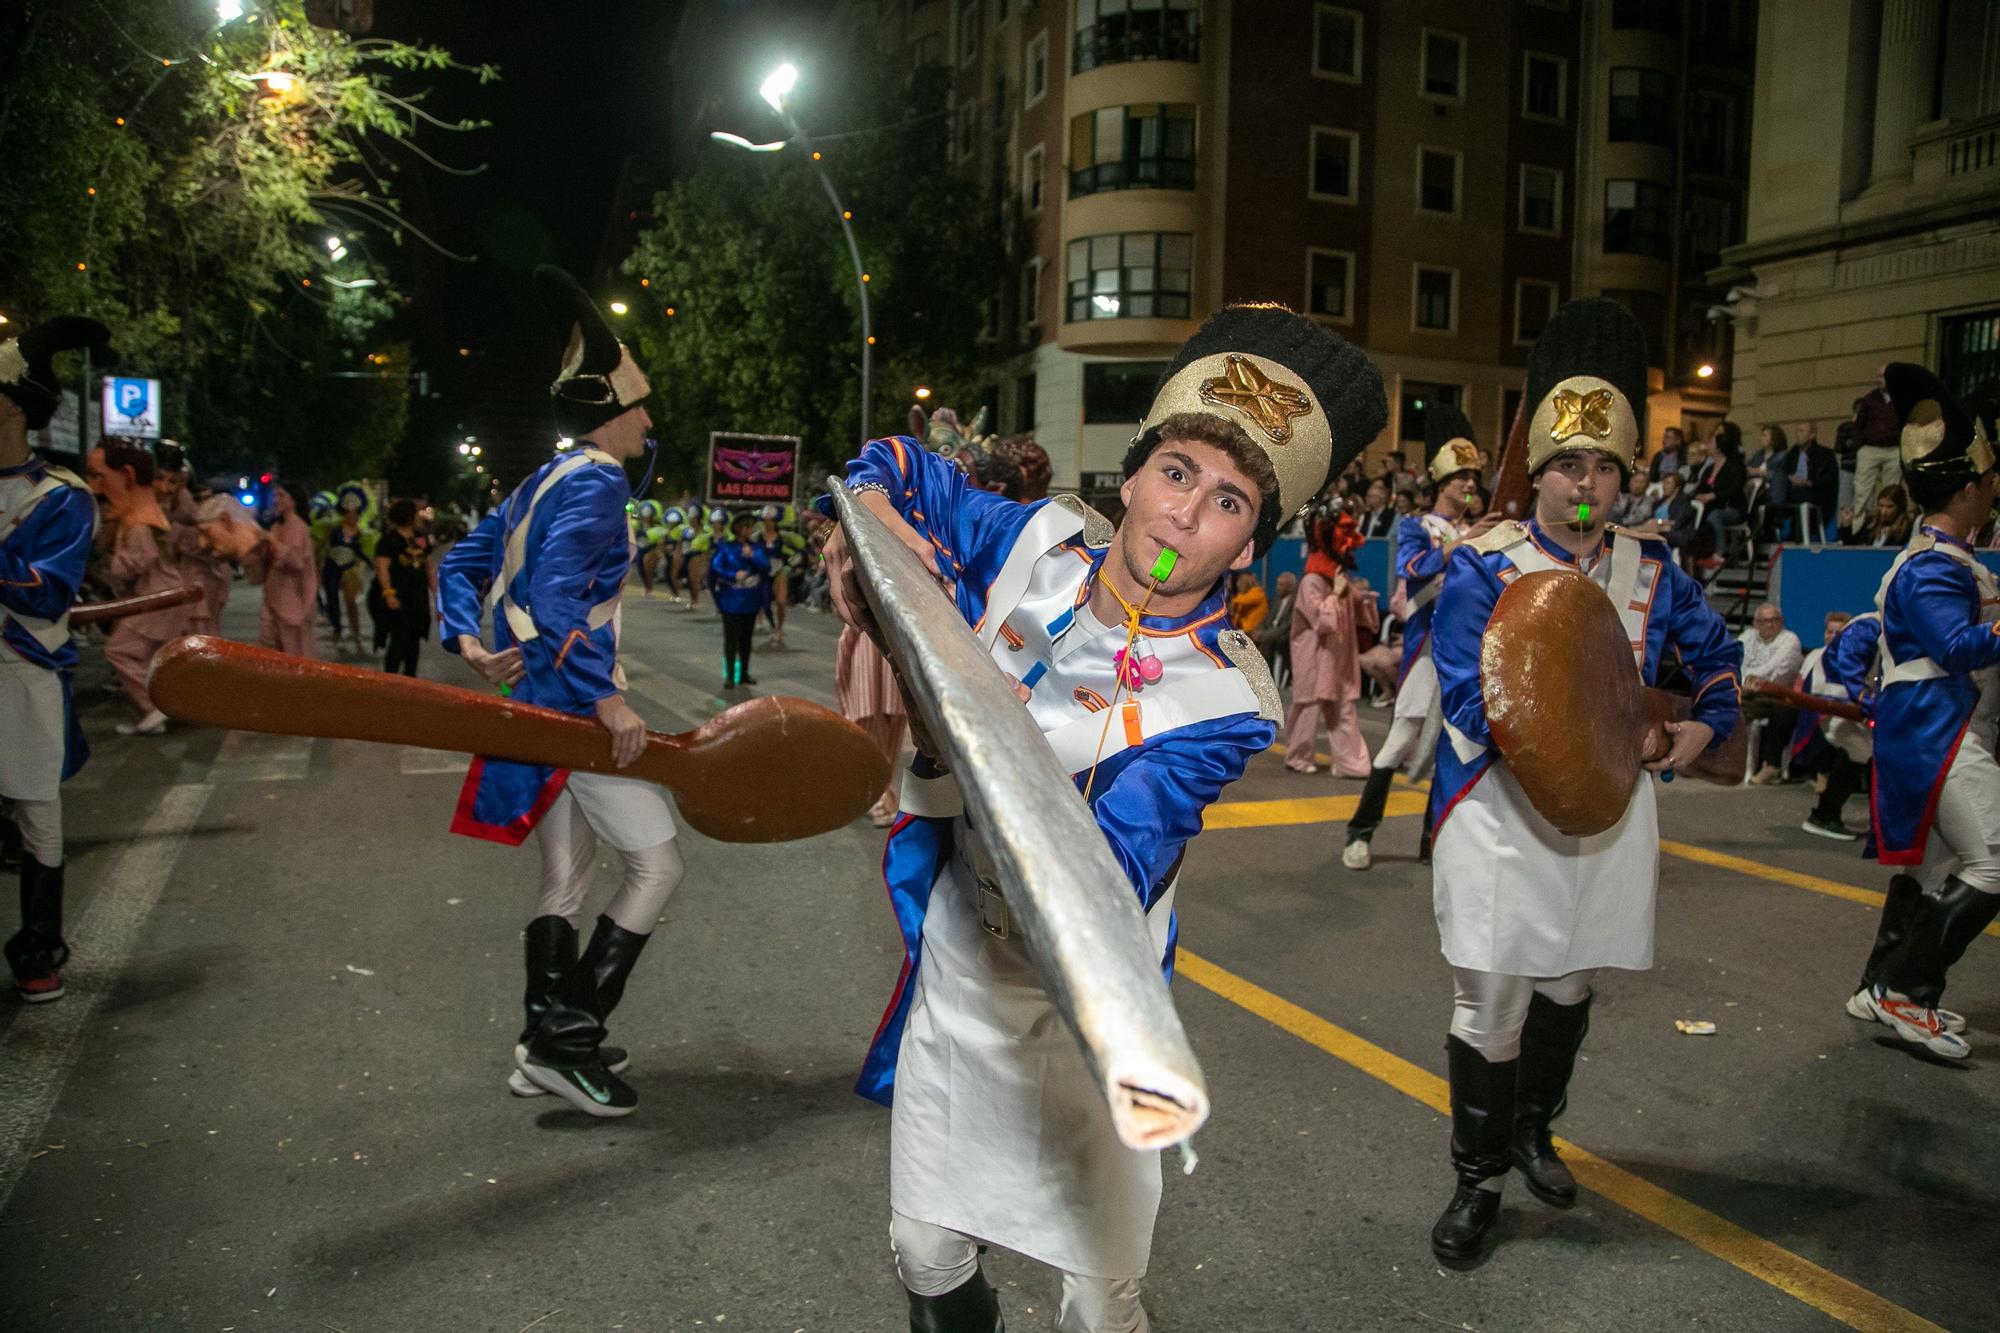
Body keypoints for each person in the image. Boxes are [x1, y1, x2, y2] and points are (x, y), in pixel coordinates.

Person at [825, 303, 1383, 1333]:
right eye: (1174, 473)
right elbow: (902, 470)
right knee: (924, 1248)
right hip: (967, 968)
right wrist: (865, 517)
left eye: (1224, 501)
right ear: (1129, 477)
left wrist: (957, 726)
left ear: (1247, 538)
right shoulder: (1032, 542)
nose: (1182, 514)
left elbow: (1106, 863)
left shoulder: (1223, 703)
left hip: (1087, 1006)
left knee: (1099, 1289)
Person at [1425, 297, 1741, 1266]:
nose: (1584, 483)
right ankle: (1474, 1178)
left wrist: (1694, 730)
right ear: (1537, 471)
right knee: (1489, 997)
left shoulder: (1652, 568)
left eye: (1604, 466)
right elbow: (1465, 695)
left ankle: (1530, 1128)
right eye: (1567, 464)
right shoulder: (1485, 563)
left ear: (1624, 476)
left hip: (1606, 814)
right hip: (1497, 811)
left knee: (1567, 981)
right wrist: (1563, 753)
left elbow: (1718, 663)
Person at [437, 265, 682, 1115]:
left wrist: (467, 637)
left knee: (565, 883)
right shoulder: (596, 482)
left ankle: (541, 1038)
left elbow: (461, 564)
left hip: (532, 708)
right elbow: (556, 600)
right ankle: (563, 1037)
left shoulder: (538, 480)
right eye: (638, 407)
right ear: (604, 414)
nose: (648, 421)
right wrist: (604, 698)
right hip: (572, 709)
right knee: (656, 865)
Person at [1853, 366, 2000, 1060]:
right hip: (1937, 728)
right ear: (1969, 488)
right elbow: (1953, 643)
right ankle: (1907, 991)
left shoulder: (1931, 558)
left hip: (1928, 727)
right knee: (1994, 861)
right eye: (1990, 480)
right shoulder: (1935, 565)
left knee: (1934, 869)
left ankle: (1881, 984)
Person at [1, 315, 111, 1003]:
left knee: (38, 811)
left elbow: (46, 592)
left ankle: (38, 948)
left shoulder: (62, 499)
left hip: (23, 672)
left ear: (14, 405)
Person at [1342, 402, 1497, 871]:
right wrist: (1458, 547)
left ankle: (1435, 839)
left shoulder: (1484, 530)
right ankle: (1359, 833)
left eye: (1474, 478)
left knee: (1461, 743)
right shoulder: (1418, 527)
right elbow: (1408, 570)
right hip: (1429, 650)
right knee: (1401, 736)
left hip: (1472, 655)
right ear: (1439, 483)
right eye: (1460, 478)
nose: (1469, 485)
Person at [88, 438, 192, 736]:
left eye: (99, 476)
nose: (96, 488)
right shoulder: (142, 515)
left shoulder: (138, 521)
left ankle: (151, 708)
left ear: (128, 476)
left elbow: (141, 558)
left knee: (119, 650)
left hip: (156, 597)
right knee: (147, 657)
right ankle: (154, 709)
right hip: (160, 594)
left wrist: (114, 561)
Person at [1285, 509, 1377, 777]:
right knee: (1308, 706)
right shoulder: (1311, 582)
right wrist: (1337, 593)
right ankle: (1298, 756)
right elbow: (1322, 621)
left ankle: (1351, 763)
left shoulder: (1338, 580)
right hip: (1314, 655)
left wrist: (1361, 599)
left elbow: (1354, 617)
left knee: (1343, 706)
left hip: (1336, 655)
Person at [1795, 610, 1877, 840]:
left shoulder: (1877, 626)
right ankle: (1826, 815)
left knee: (1861, 752)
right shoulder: (1868, 627)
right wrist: (1866, 701)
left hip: (1842, 695)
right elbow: (1849, 666)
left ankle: (1826, 814)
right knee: (1864, 751)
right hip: (1837, 695)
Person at [836, 624, 908, 827]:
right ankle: (879, 797)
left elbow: (847, 640)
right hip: (898, 674)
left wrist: (843, 691)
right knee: (889, 746)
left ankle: (877, 797)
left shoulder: (865, 604)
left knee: (871, 742)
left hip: (866, 678)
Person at [246, 482, 317, 658]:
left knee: (293, 651)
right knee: (269, 647)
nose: (276, 500)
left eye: (281, 496)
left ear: (293, 501)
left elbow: (297, 562)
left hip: (292, 600)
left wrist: (273, 542)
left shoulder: (299, 528)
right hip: (272, 596)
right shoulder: (276, 527)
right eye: (275, 496)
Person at [1741, 604, 1806, 784]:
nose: (1769, 625)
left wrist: (1746, 681)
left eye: (1774, 620)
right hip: (1744, 691)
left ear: (1781, 622)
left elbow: (1774, 672)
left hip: (1776, 695)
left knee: (1779, 712)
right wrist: (1744, 682)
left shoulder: (1790, 640)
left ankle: (1771, 765)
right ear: (1755, 623)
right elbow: (1732, 662)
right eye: (1763, 621)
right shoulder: (1747, 637)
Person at [708, 510, 770, 689]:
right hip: (731, 600)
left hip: (751, 600)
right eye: (747, 526)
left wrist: (752, 556)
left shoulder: (756, 548)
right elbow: (715, 567)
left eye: (751, 526)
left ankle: (744, 673)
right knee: (731, 640)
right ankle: (729, 676)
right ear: (739, 528)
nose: (750, 530)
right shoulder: (725, 547)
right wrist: (733, 574)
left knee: (746, 639)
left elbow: (766, 567)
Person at [373, 499, 433, 677]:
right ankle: (390, 678)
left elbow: (428, 567)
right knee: (399, 638)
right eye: (416, 513)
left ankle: (410, 678)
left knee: (414, 640)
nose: (419, 517)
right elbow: (382, 569)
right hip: (398, 597)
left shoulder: (421, 538)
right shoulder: (388, 541)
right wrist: (389, 594)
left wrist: (437, 593)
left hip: (418, 596)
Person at [319, 486, 370, 655]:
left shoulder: (362, 534)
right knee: (332, 600)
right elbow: (323, 547)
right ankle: (337, 631)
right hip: (332, 566)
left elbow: (363, 555)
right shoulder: (333, 529)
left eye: (355, 512)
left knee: (351, 602)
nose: (352, 515)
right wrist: (319, 567)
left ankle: (356, 635)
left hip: (351, 569)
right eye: (348, 512)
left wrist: (359, 571)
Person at [1692, 421, 1747, 564]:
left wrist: (1713, 495)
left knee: (1714, 516)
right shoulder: (1710, 468)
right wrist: (1699, 495)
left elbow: (1734, 488)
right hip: (1711, 505)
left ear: (1719, 447)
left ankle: (1720, 552)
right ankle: (1700, 551)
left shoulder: (1734, 466)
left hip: (1731, 507)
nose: (1708, 446)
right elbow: (1702, 487)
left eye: (1711, 443)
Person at [1850, 365, 1901, 519]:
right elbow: (1857, 425)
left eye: (1884, 376)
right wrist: (1860, 447)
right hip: (1870, 448)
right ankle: (1857, 528)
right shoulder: (1870, 399)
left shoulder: (1902, 398)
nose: (1881, 380)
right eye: (1879, 376)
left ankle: (1888, 526)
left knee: (1891, 492)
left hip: (1894, 448)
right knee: (1861, 491)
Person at [1257, 569, 1298, 686]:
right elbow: (1267, 619)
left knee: (1266, 641)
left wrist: (1265, 634)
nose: (1277, 587)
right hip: (1270, 632)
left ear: (1290, 587)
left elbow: (1287, 626)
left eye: (1281, 585)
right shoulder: (1276, 601)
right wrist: (1259, 630)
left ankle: (1266, 678)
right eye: (1277, 584)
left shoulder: (1295, 602)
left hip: (1285, 636)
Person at [1845, 483, 1914, 548]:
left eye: (1889, 507)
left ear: (1900, 507)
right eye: (1881, 505)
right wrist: (1847, 525)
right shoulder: (1871, 523)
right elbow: (1853, 546)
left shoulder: (1906, 528)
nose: (1883, 511)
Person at [1228, 569, 1268, 634]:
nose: (1237, 585)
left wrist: (1234, 601)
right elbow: (1236, 617)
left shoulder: (1257, 592)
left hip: (1253, 630)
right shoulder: (1242, 596)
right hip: (1244, 630)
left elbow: (1243, 601)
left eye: (1239, 582)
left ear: (1246, 582)